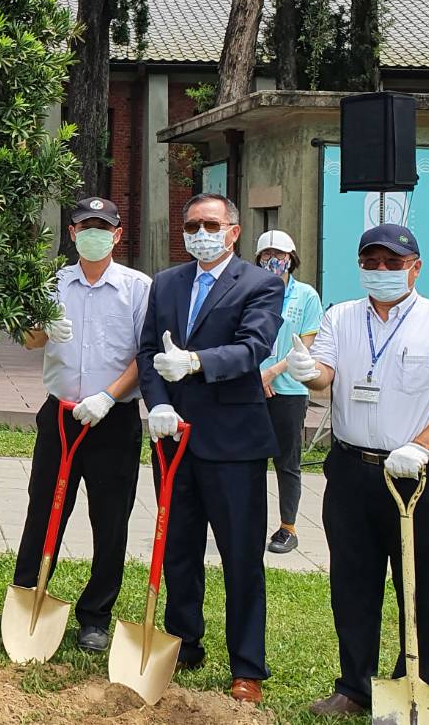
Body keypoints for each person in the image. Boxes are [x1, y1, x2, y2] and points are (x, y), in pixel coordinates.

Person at [293, 223, 429, 717]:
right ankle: (355, 686)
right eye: (371, 262)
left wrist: (422, 447)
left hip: (417, 475)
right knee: (352, 583)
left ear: (415, 267)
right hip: (352, 469)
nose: (381, 271)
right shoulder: (342, 317)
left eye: (393, 263)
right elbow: (326, 377)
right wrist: (310, 372)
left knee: (419, 585)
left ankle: (415, 685)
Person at [137, 192, 283, 705]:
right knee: (178, 548)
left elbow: (254, 347)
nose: (201, 233)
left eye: (211, 224)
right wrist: (156, 404)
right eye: (193, 224)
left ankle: (247, 666)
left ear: (234, 231)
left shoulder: (262, 283)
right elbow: (149, 349)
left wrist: (197, 363)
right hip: (172, 439)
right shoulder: (167, 282)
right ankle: (183, 641)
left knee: (241, 557)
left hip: (233, 444)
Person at [15, 197, 150, 653]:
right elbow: (28, 338)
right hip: (60, 415)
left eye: (103, 227)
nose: (93, 234)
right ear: (72, 234)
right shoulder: (53, 284)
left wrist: (109, 396)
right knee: (44, 510)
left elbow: (143, 356)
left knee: (110, 519)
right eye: (84, 227)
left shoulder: (137, 288)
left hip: (113, 419)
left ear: (116, 235)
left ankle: (96, 615)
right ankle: (28, 595)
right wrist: (44, 329)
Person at [253, 230, 323, 554]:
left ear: (291, 258)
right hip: (253, 387)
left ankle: (287, 527)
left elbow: (304, 347)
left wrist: (272, 372)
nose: (273, 261)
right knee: (251, 460)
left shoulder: (306, 296)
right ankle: (249, 523)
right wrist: (256, 374)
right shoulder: (250, 292)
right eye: (266, 255)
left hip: (290, 389)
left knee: (287, 460)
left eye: (278, 255)